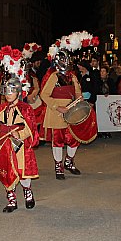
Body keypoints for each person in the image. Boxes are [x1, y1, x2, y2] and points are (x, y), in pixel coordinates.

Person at [0, 76, 39, 212]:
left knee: (22, 170)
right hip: (3, 144)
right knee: (6, 172)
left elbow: (30, 128)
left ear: (18, 92)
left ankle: (27, 192)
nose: (8, 95)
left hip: (19, 146)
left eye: (12, 91)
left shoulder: (25, 108)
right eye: (6, 91)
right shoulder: (1, 108)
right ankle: (11, 198)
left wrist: (20, 135)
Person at [40, 50, 83, 179]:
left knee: (74, 139)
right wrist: (57, 107)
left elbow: (77, 93)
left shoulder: (73, 77)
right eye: (63, 60)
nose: (66, 63)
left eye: (67, 60)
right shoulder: (54, 76)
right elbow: (44, 94)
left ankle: (69, 162)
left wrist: (79, 97)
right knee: (58, 141)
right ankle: (58, 166)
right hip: (56, 113)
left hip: (71, 112)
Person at [97, 65, 116, 138]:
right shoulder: (98, 81)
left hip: (108, 101)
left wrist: (109, 94)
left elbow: (114, 90)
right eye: (101, 71)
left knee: (108, 115)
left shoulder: (110, 81)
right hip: (100, 101)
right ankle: (100, 131)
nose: (102, 73)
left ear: (107, 73)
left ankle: (107, 131)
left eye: (103, 71)